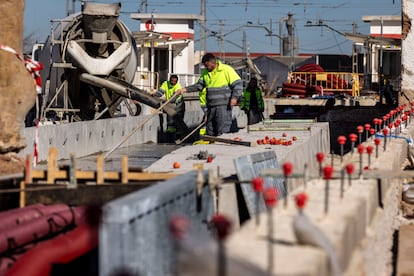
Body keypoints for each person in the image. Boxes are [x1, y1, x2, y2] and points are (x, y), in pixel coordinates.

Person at [176, 53, 243, 136]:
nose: (206, 67)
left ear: (212, 62)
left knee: (222, 129)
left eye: (206, 65)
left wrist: (234, 98)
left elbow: (238, 85)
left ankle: (221, 146)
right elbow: (199, 86)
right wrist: (185, 89)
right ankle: (211, 146)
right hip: (211, 106)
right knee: (210, 128)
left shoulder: (226, 70)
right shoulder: (205, 73)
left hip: (223, 106)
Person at [156, 74, 188, 141]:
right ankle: (170, 138)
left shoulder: (178, 87)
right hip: (170, 104)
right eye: (172, 81)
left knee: (178, 122)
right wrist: (155, 94)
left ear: (177, 81)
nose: (173, 83)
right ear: (169, 80)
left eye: (175, 81)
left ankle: (178, 138)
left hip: (179, 104)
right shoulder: (165, 83)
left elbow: (174, 98)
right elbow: (161, 91)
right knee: (170, 122)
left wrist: (167, 101)